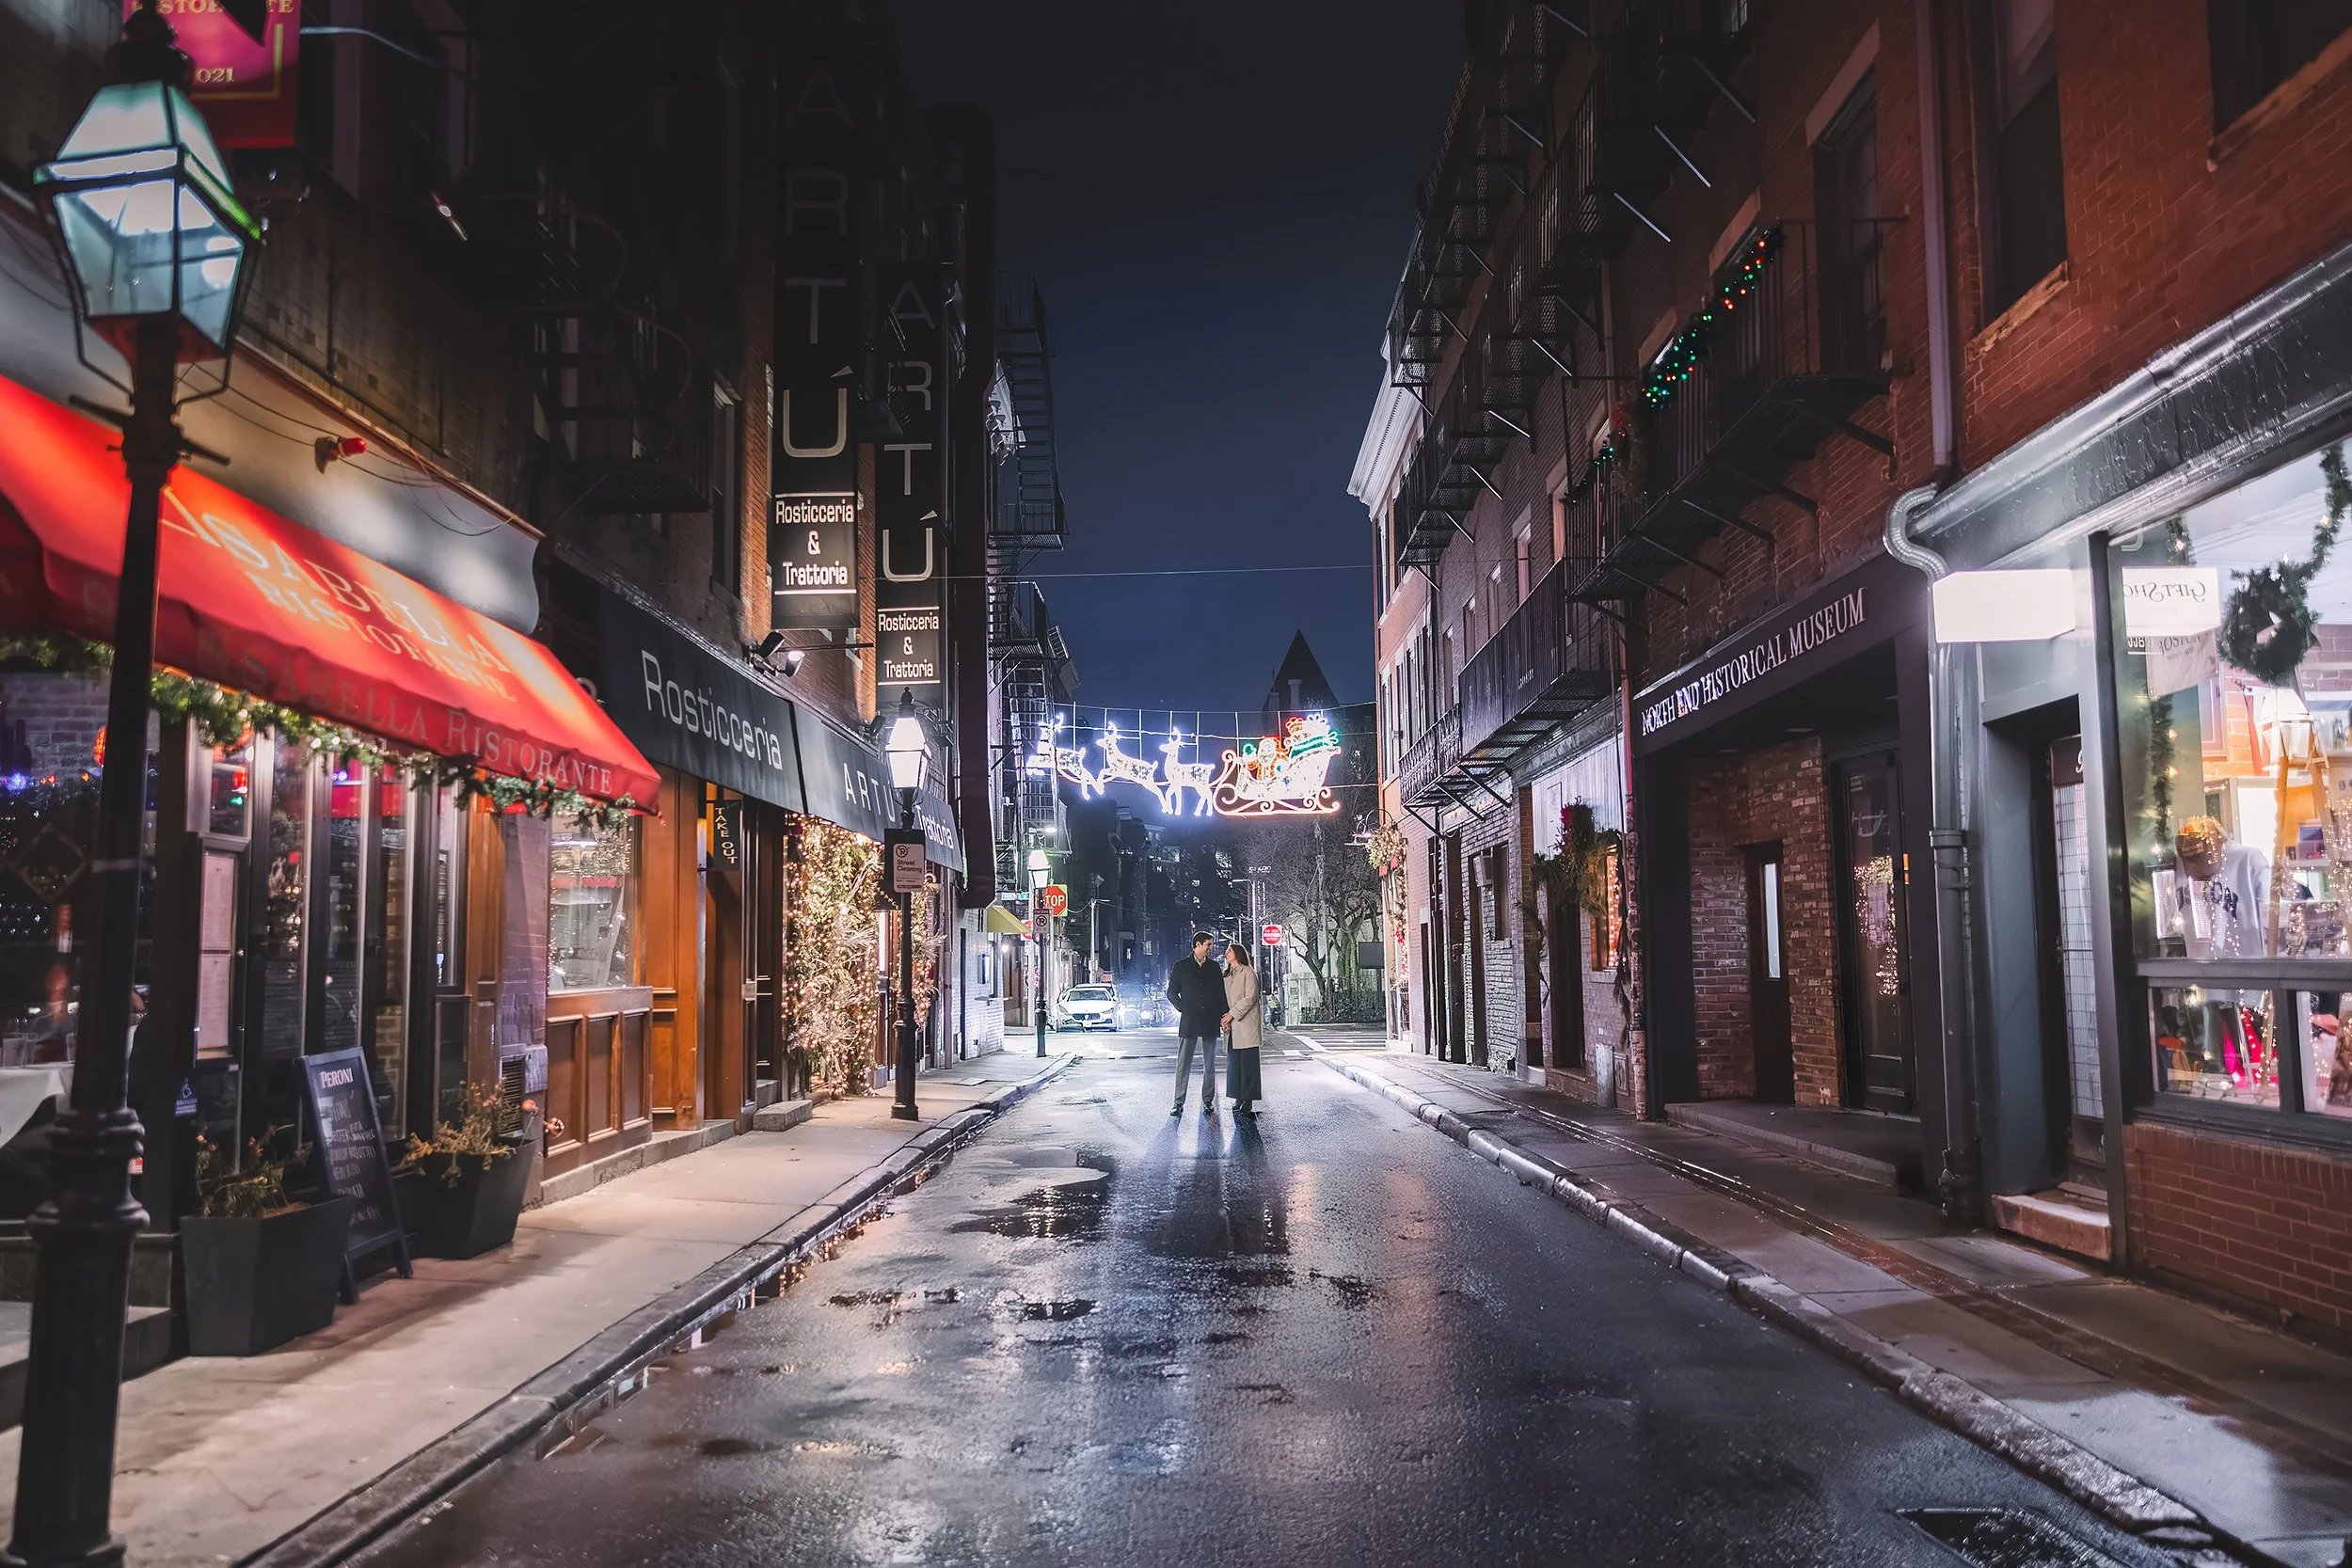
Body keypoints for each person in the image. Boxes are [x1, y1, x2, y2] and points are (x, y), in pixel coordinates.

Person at [1165, 931, 1225, 1117]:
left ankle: (1208, 1101)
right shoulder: (1181, 966)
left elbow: (1221, 994)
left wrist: (1223, 1016)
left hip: (1210, 1020)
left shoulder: (1214, 967)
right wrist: (1183, 1007)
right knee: (1183, 1064)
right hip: (1189, 1020)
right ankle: (1178, 1102)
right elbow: (1171, 992)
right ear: (1198, 945)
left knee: (1210, 1065)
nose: (1210, 948)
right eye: (1208, 944)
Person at [1221, 941, 1263, 1117]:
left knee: (1248, 1065)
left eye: (1230, 951)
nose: (1226, 953)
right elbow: (1223, 1000)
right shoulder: (1226, 975)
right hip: (1231, 1027)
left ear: (1238, 954)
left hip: (1246, 1026)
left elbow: (1250, 997)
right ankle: (1238, 1097)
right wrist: (1224, 1019)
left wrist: (1231, 1014)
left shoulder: (1248, 972)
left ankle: (1248, 1099)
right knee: (1234, 1065)